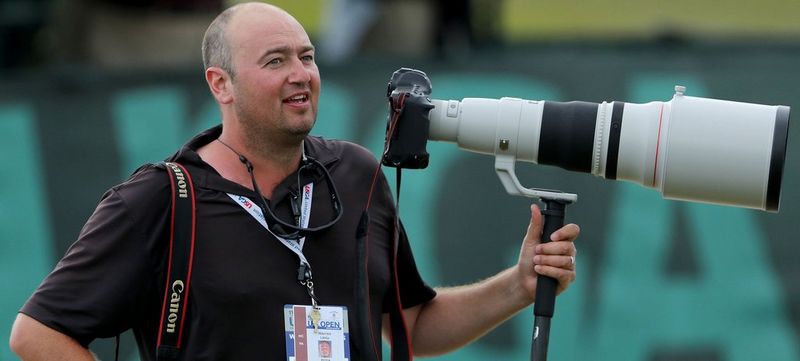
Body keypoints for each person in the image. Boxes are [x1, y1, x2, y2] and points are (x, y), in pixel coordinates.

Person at [9, 2, 579, 360]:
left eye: (307, 56)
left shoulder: (356, 176)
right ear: (221, 84)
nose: (301, 74)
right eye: (275, 60)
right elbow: (36, 334)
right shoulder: (161, 199)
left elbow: (411, 326)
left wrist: (519, 284)